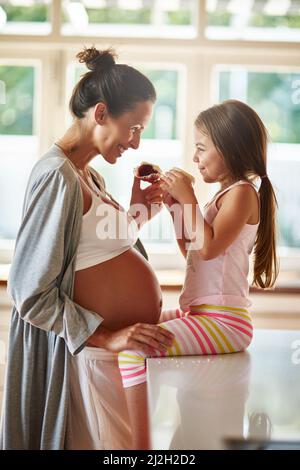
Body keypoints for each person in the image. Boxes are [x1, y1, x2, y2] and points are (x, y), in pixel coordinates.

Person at [0, 46, 175, 450]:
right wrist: (107, 336)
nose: (135, 142)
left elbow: (94, 253)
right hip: (83, 357)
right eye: (133, 127)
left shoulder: (87, 174)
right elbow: (30, 293)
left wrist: (138, 211)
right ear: (100, 114)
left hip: (111, 360)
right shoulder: (56, 177)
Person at [118, 99, 279, 449]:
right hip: (204, 315)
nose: (195, 158)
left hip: (225, 323)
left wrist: (187, 196)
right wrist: (176, 207)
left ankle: (138, 445)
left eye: (201, 148)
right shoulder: (220, 198)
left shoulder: (242, 194)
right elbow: (194, 252)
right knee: (135, 324)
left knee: (133, 350)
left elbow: (208, 248)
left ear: (230, 149)